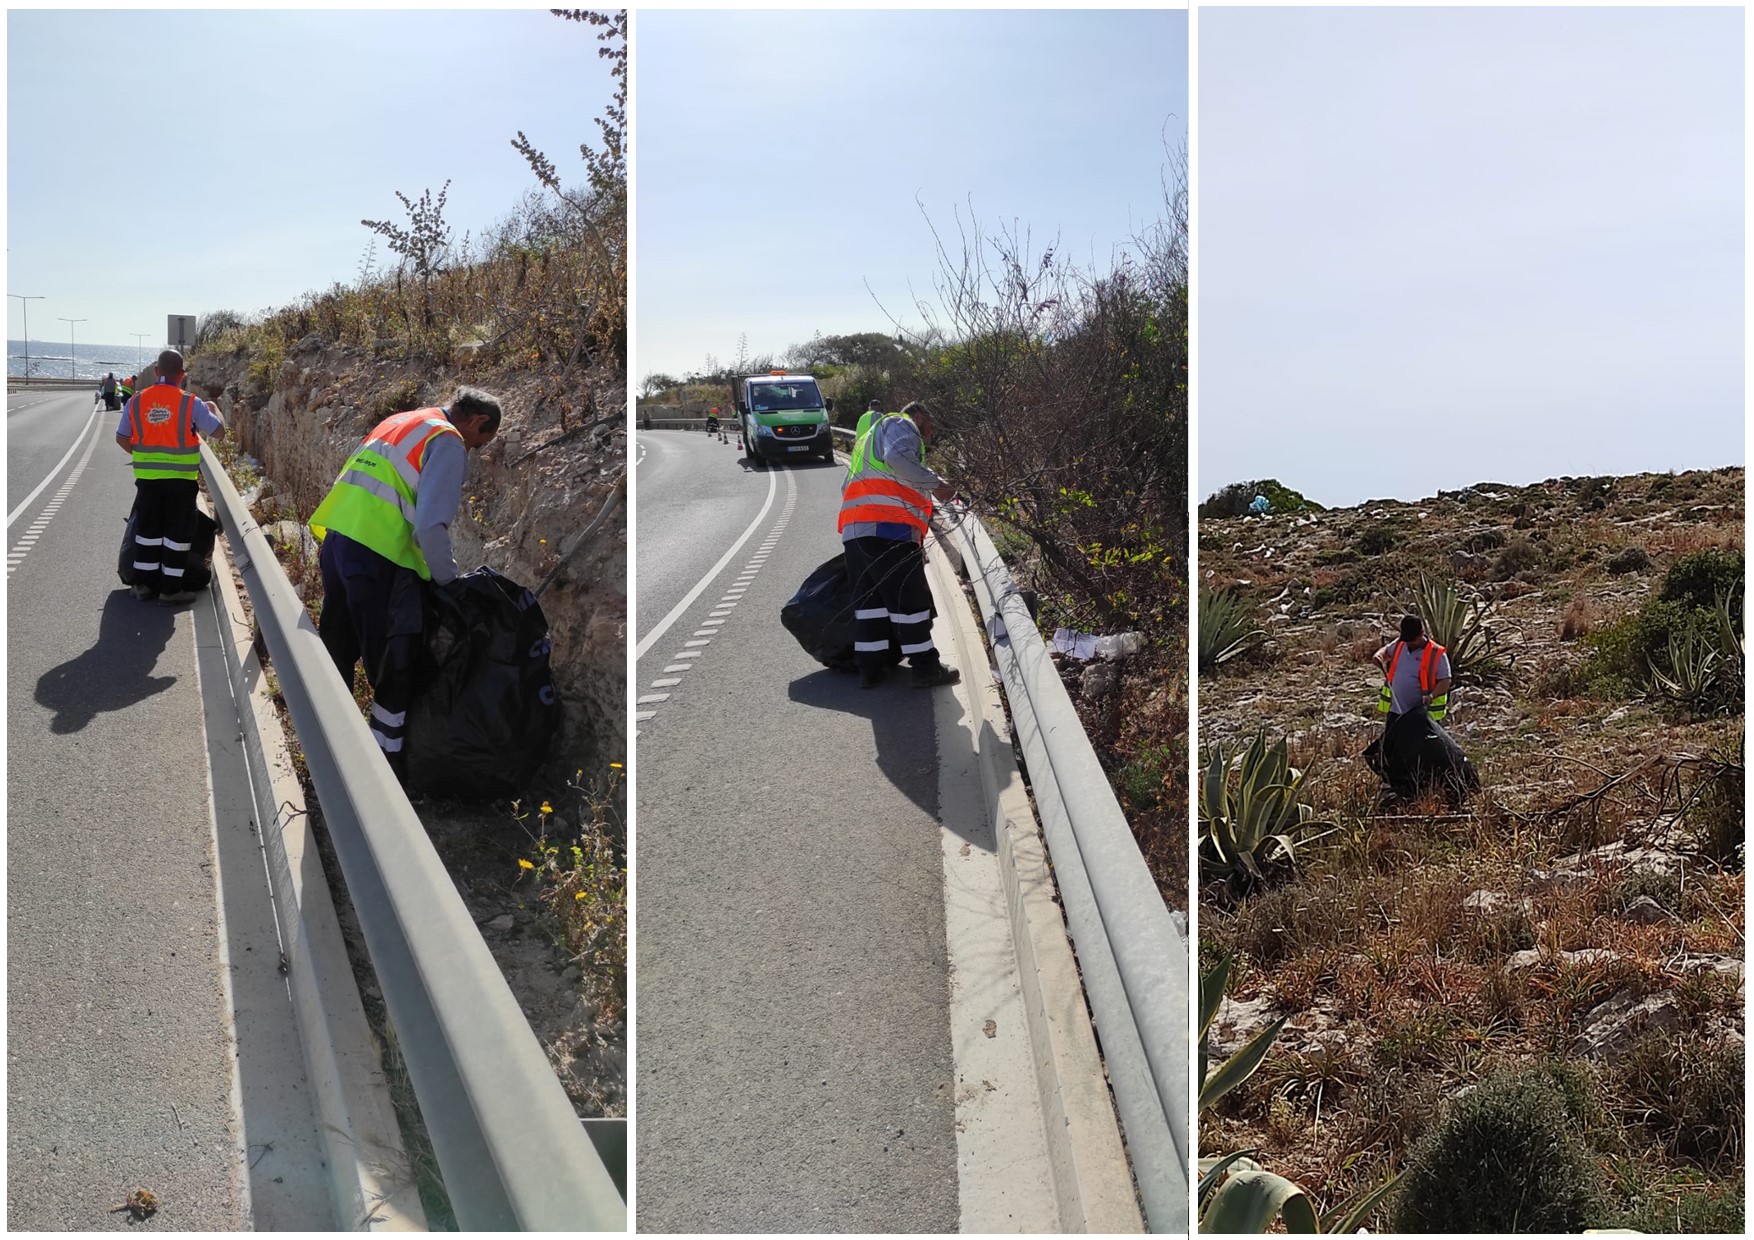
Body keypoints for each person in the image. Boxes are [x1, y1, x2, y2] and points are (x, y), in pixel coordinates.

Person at [308, 388, 501, 778]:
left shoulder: (401, 421)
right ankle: (382, 771)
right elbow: (430, 525)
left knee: (338, 649)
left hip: (339, 543)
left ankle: (324, 749)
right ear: (478, 421)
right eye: (481, 443)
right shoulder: (447, 440)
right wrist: (449, 582)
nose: (474, 451)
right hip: (379, 558)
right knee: (394, 667)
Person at [839, 400, 959, 689]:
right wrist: (936, 484)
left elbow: (846, 487)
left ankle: (870, 669)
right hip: (889, 530)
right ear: (919, 417)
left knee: (871, 605)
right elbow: (898, 460)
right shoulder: (901, 424)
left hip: (856, 532)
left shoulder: (866, 441)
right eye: (929, 429)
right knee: (909, 602)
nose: (928, 438)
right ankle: (926, 668)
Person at [114, 349, 225, 604]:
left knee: (147, 530)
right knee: (178, 534)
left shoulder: (137, 400)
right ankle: (170, 590)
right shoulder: (190, 403)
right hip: (181, 482)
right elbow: (218, 432)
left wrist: (142, 454)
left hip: (148, 481)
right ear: (182, 375)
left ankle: (143, 585)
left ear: (156, 372)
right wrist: (214, 409)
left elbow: (121, 437)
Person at [1374, 614, 1452, 723]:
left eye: (1412, 640)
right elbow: (1386, 651)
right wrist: (1379, 656)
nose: (1409, 643)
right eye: (1407, 640)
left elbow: (1445, 681)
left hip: (1421, 715)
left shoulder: (1436, 654)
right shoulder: (1400, 644)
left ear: (1421, 633)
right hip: (1396, 711)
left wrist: (1431, 696)